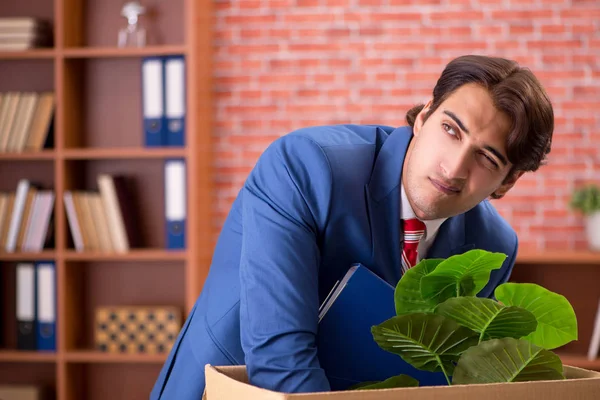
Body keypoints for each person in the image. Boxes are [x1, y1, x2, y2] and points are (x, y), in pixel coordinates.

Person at [150, 54, 554, 398]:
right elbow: (279, 359)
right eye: (450, 130)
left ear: (508, 181)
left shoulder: (491, 245)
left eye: (486, 158)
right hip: (230, 387)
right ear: (424, 116)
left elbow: (446, 376)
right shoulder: (304, 167)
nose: (454, 167)